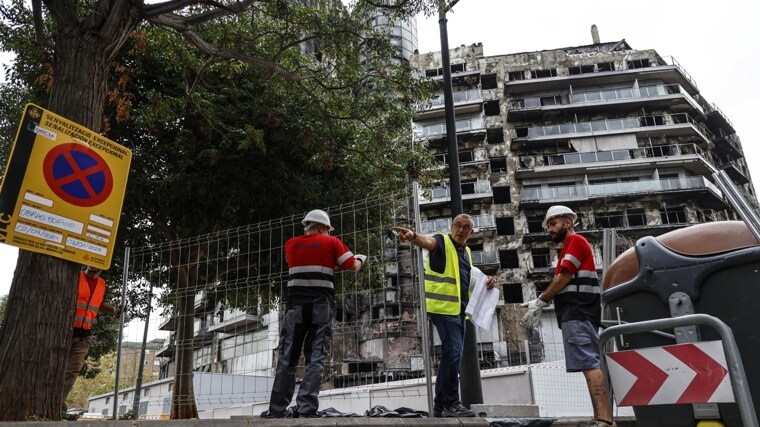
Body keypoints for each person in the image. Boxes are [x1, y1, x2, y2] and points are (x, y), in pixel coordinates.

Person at [263, 209, 366, 418]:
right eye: (328, 229)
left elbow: (305, 263)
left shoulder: (290, 244)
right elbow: (351, 265)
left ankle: (276, 411)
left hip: (295, 308)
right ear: (322, 226)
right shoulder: (333, 243)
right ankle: (306, 409)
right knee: (315, 357)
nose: (328, 232)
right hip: (321, 306)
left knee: (288, 358)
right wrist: (361, 259)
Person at [522, 205, 616, 427]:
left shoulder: (575, 242)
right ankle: (603, 419)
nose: (550, 230)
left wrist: (541, 300)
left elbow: (564, 277)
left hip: (579, 311)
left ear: (567, 222)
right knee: (589, 363)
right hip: (580, 312)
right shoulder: (569, 247)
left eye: (553, 224)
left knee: (589, 363)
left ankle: (604, 420)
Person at [393, 213, 495, 418]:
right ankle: (451, 403)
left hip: (459, 312)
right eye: (457, 225)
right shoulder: (442, 241)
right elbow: (428, 242)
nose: (460, 230)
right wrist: (413, 235)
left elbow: (468, 278)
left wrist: (488, 281)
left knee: (451, 354)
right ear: (451, 226)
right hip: (442, 308)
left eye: (466, 227)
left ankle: (440, 405)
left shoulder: (466, 251)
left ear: (471, 232)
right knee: (454, 353)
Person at [62, 266, 120, 408]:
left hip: (84, 335)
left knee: (72, 372)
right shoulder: (76, 276)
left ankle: (57, 401)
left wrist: (113, 310)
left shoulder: (101, 284)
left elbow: (97, 304)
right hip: (64, 331)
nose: (94, 266)